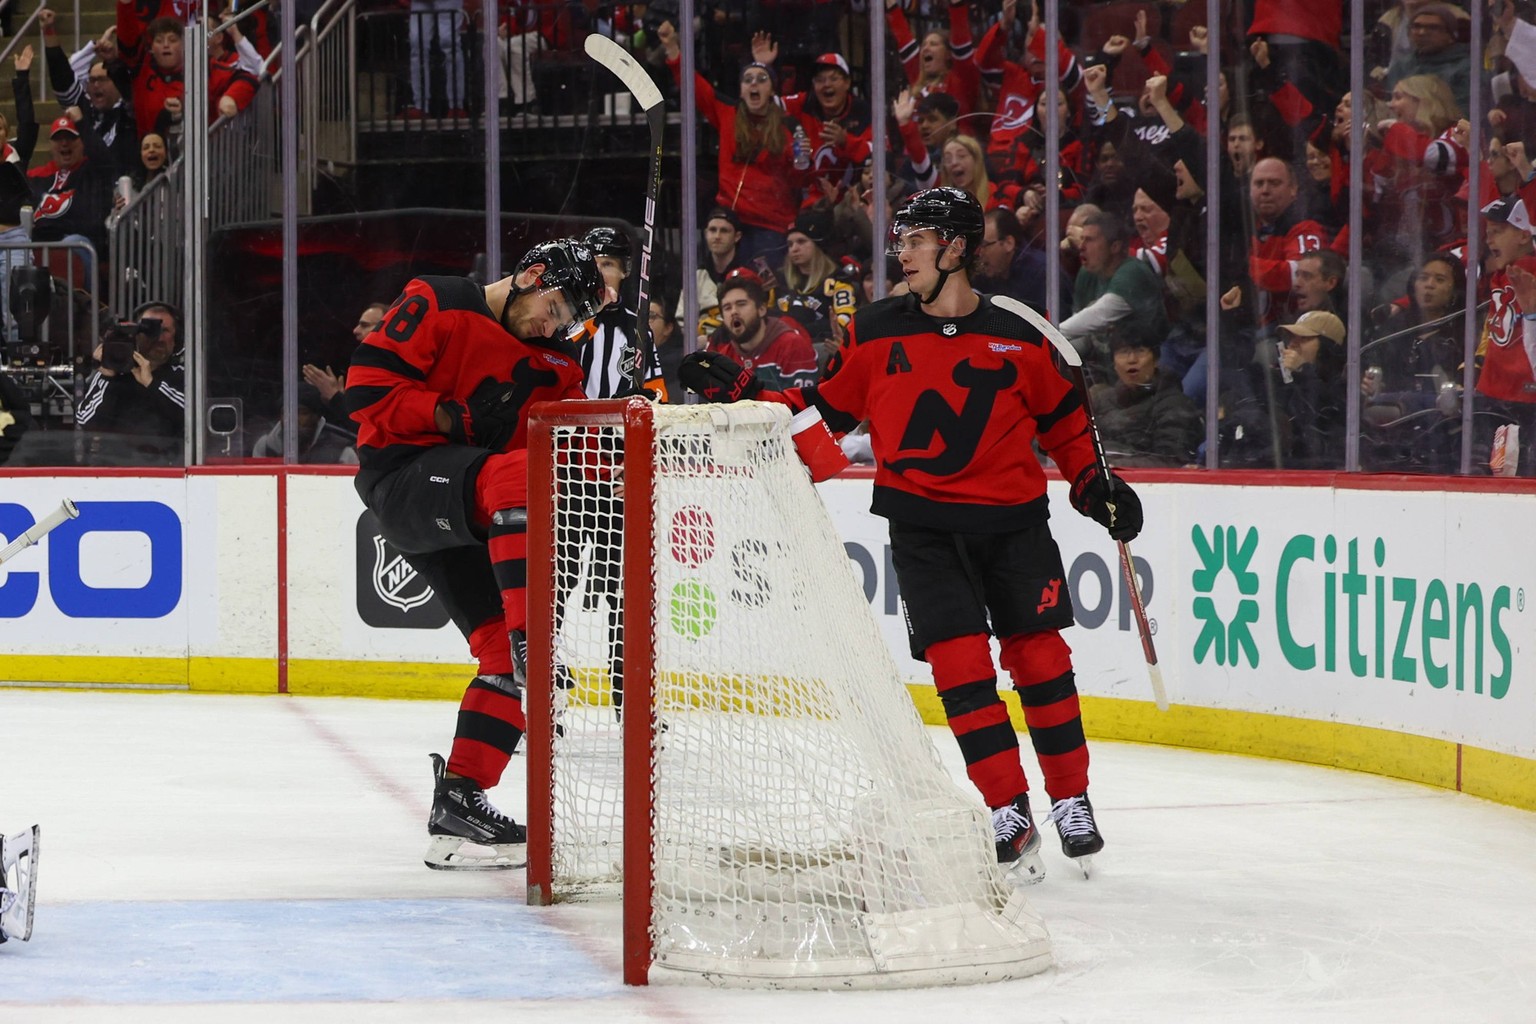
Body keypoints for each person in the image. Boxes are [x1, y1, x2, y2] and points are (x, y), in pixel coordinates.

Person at [678, 186, 1144, 878]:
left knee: (1041, 662)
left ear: (956, 248)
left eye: (916, 240)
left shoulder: (1021, 335)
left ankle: (1071, 798)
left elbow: (1068, 426)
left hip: (1014, 527)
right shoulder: (874, 330)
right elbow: (822, 417)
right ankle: (1007, 809)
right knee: (961, 673)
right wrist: (749, 392)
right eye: (901, 240)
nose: (902, 253)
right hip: (923, 530)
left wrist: (1095, 486)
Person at [346, 237, 605, 869]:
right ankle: (531, 646)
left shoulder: (556, 366)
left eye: (567, 318)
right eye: (553, 305)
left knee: (498, 655)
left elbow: (565, 456)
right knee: (517, 478)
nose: (552, 323)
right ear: (531, 275)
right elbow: (366, 391)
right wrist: (451, 417)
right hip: (405, 480)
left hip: (477, 503)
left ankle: (460, 800)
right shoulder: (439, 298)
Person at [658, 19, 806, 267]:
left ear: (773, 90)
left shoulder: (788, 126)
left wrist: (802, 162)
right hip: (730, 221)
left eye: (761, 79)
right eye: (748, 79)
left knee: (763, 292)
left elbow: (797, 179)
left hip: (769, 227)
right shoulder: (728, 113)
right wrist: (672, 48)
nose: (754, 84)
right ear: (740, 90)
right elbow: (695, 88)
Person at [1060, 210, 1169, 385]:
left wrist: (1045, 336)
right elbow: (1081, 335)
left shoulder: (1132, 273)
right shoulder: (1087, 273)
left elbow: (1098, 316)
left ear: (1115, 247)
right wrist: (1053, 354)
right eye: (1082, 239)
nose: (1081, 246)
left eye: (1090, 240)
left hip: (1149, 381)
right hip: (1108, 380)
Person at [1473, 197, 1536, 474]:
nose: (1489, 240)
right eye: (1488, 233)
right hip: (1496, 390)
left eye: (1498, 231)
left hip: (1525, 395)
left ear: (1524, 234)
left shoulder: (1529, 272)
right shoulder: (1500, 274)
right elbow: (1492, 327)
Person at [74, 309, 185, 462]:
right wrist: (108, 378)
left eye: (165, 330)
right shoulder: (111, 373)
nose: (159, 337)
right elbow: (86, 422)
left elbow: (191, 416)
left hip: (169, 470)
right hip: (116, 471)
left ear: (177, 338)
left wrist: (152, 384)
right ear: (137, 335)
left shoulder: (183, 374)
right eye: (150, 330)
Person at [28, 112, 116, 286]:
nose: (64, 143)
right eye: (58, 138)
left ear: (82, 142)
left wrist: (81, 122)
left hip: (77, 240)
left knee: (70, 245)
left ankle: (86, 305)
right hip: (38, 240)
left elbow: (105, 160)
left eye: (70, 137)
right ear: (51, 145)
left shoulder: (93, 172)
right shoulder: (35, 176)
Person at [576, 225, 665, 398]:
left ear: (625, 270)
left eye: (607, 264)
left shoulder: (638, 328)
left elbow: (656, 393)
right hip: (574, 423)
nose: (599, 272)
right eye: (593, 264)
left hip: (621, 425)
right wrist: (593, 309)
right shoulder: (566, 321)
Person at [1089, 335, 1204, 468]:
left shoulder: (1175, 405)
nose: (1132, 359)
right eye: (1123, 352)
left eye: (1140, 351)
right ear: (1114, 364)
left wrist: (1113, 466)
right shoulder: (1099, 399)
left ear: (1156, 360)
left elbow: (1172, 461)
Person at [705, 267, 819, 391]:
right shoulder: (724, 357)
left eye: (741, 304)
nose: (734, 312)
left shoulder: (792, 345)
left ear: (761, 310)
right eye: (727, 307)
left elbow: (802, 405)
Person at [303, 301, 385, 436]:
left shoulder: (393, 371)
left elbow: (373, 430)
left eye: (365, 325)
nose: (356, 330)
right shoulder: (364, 368)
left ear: (386, 328)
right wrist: (340, 400)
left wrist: (335, 397)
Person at [678, 205, 747, 341]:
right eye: (712, 230)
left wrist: (712, 340)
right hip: (700, 348)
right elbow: (683, 321)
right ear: (705, 233)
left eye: (724, 231)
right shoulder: (695, 277)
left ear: (737, 236)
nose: (717, 236)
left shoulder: (747, 275)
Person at [249, 383, 359, 463]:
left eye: (302, 413)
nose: (292, 419)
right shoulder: (264, 447)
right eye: (286, 412)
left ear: (317, 416)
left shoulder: (342, 452)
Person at [972, 207, 1050, 309]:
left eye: (984, 245)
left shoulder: (1041, 273)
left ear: (1008, 243)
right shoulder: (985, 272)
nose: (979, 253)